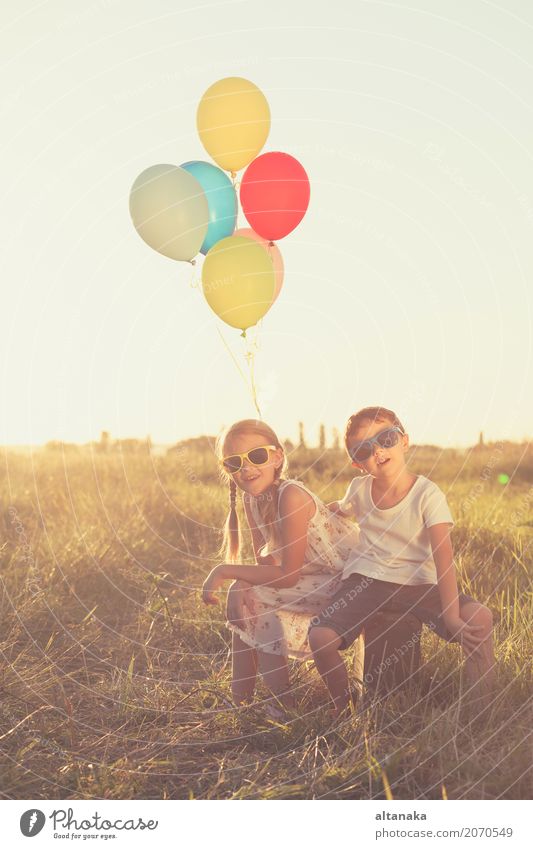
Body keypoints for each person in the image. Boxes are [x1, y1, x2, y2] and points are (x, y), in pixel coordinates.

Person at [308, 406, 495, 715]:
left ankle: (481, 711)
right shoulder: (359, 488)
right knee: (320, 636)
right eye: (365, 449)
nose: (378, 451)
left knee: (481, 618)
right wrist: (320, 512)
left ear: (404, 441)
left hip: (417, 583)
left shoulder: (427, 494)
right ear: (357, 463)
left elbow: (443, 556)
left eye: (386, 438)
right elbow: (341, 507)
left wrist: (451, 617)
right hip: (365, 581)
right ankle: (343, 710)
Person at [201, 418, 360, 712]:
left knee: (260, 597)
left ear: (277, 457)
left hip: (351, 581)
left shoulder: (291, 496)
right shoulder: (253, 500)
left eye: (257, 456)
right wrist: (242, 583)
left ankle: (281, 704)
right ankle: (242, 703)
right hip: (319, 580)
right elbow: (266, 566)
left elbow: (287, 575)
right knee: (253, 597)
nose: (246, 468)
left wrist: (226, 571)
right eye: (234, 463)